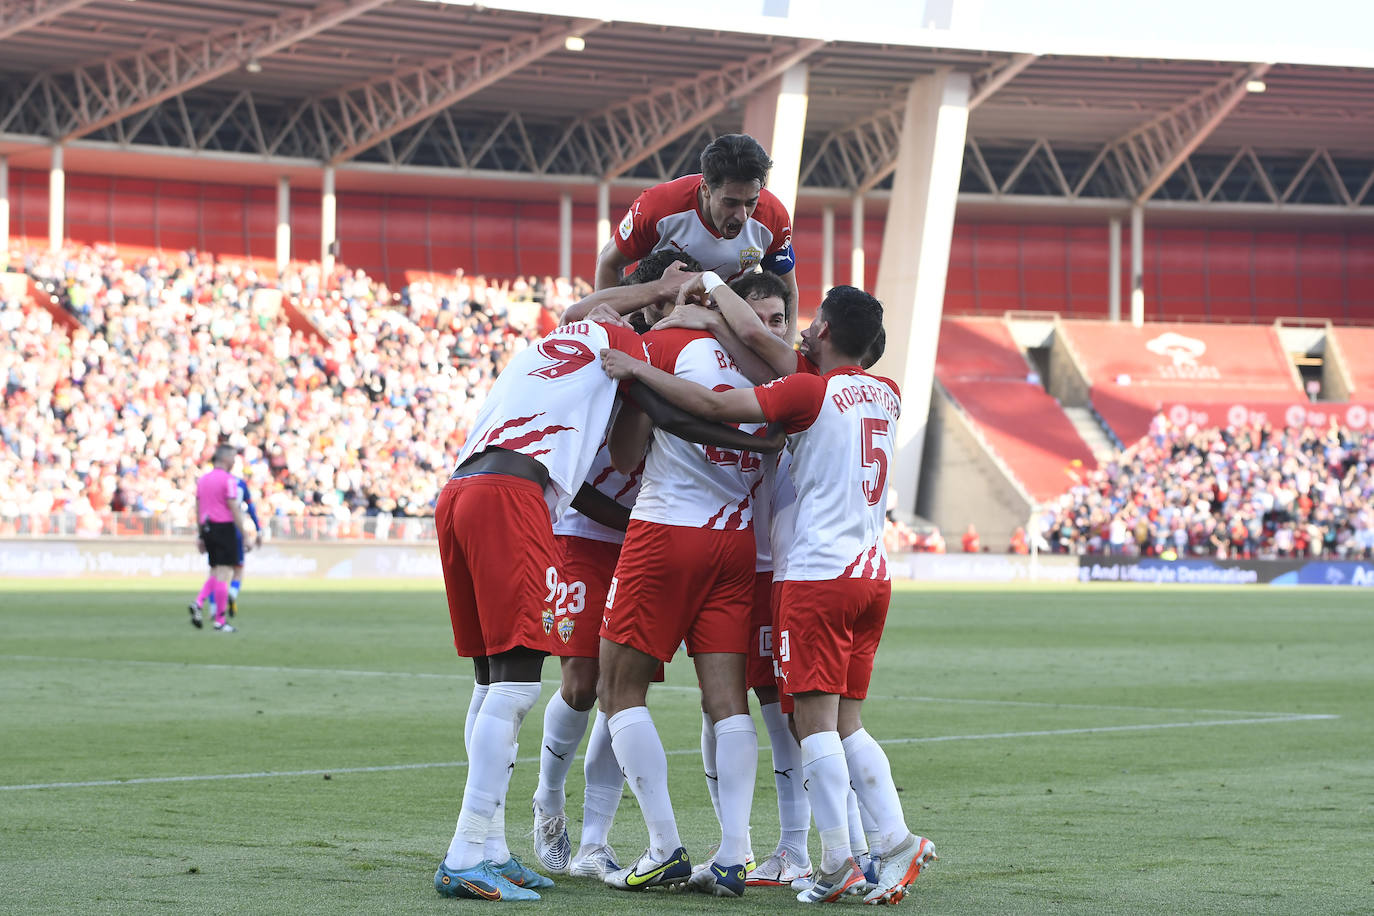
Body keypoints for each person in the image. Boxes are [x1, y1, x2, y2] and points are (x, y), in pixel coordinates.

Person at [432, 266, 782, 903]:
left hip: (462, 488)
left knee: (492, 683)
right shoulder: (629, 349)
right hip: (522, 499)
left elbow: (584, 306)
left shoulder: (561, 337)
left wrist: (654, 296)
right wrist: (756, 441)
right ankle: (468, 849)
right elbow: (674, 422)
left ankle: (491, 847)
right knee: (521, 686)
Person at [599, 280, 938, 906]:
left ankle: (837, 859)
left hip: (816, 575)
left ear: (829, 333)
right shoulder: (886, 394)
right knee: (846, 724)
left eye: (811, 325)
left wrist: (668, 332)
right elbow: (761, 342)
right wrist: (727, 323)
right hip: (871, 575)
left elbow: (719, 404)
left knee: (810, 724)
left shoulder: (809, 390)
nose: (801, 333)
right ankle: (892, 840)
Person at [593, 272, 791, 898]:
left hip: (665, 532)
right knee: (726, 701)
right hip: (735, 542)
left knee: (618, 690)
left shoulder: (656, 348)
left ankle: (663, 847)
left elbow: (625, 456)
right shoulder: (764, 366)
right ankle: (734, 854)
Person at [595, 133, 798, 310]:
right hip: (659, 321)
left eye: (751, 202)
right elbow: (608, 263)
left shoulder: (773, 216)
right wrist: (610, 331)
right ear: (706, 190)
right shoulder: (657, 207)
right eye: (730, 202)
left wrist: (787, 354)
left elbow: (788, 292)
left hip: (727, 323)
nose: (742, 215)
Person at [188, 444, 254, 633]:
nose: (234, 461)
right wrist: (245, 534)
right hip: (224, 527)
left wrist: (200, 534)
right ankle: (220, 620)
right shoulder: (229, 480)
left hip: (208, 528)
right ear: (225, 460)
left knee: (216, 571)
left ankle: (199, 602)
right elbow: (233, 507)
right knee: (224, 573)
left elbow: (198, 507)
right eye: (233, 458)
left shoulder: (203, 480)